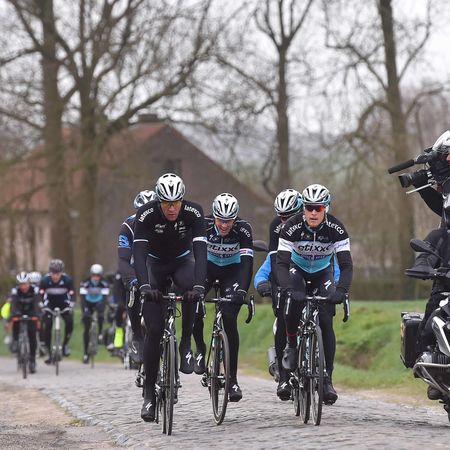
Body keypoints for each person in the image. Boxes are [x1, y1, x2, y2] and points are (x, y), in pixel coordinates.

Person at [133, 173, 207, 422]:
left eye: (176, 202)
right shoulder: (146, 214)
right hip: (154, 265)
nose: (172, 208)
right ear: (159, 201)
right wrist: (145, 287)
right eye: (166, 203)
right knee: (154, 330)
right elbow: (139, 255)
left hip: (182, 261)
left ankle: (185, 343)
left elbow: (201, 252)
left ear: (182, 200)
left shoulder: (194, 212)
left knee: (191, 290)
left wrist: (199, 287)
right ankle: (149, 395)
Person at [276, 184, 353, 404]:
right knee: (294, 302)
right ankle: (292, 344)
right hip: (297, 270)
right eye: (308, 207)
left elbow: (346, 265)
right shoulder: (291, 226)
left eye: (317, 208)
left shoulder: (336, 228)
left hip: (322, 272)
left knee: (326, 320)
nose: (312, 213)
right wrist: (288, 289)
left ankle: (327, 378)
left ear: (325, 208)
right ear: (303, 208)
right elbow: (281, 264)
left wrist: (341, 290)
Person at [192, 193, 253, 402]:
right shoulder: (204, 225)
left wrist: (242, 292)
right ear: (214, 215)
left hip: (232, 272)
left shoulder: (243, 229)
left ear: (235, 218)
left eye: (229, 220)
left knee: (229, 319)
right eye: (221, 220)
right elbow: (193, 256)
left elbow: (247, 264)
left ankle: (232, 379)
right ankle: (200, 349)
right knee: (195, 307)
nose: (225, 225)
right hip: (207, 269)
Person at [116, 189, 156, 361]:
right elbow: (123, 259)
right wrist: (132, 280)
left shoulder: (167, 223)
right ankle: (137, 335)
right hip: (135, 268)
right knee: (133, 291)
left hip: (158, 268)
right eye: (142, 212)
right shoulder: (128, 226)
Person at [40, 259, 75, 364]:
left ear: (61, 272)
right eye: (53, 273)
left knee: (69, 321)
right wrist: (42, 304)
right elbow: (40, 294)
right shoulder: (45, 280)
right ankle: (49, 352)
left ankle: (65, 345)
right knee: (47, 325)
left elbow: (72, 293)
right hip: (50, 304)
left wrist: (71, 304)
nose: (55, 276)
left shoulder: (67, 280)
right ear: (50, 272)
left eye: (57, 273)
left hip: (63, 303)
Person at [10, 272, 40, 373]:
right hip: (19, 311)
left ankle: (32, 360)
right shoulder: (15, 291)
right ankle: (15, 341)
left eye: (25, 284)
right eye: (21, 284)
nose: (23, 287)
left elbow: (36, 304)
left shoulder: (34, 290)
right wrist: (14, 315)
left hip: (31, 312)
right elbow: (13, 305)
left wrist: (37, 316)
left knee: (32, 335)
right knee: (16, 323)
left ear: (29, 283)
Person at [80, 263, 110, 364]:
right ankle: (85, 354)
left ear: (101, 275)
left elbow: (105, 298)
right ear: (91, 274)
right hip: (88, 303)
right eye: (94, 275)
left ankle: (100, 332)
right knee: (86, 327)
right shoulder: (85, 282)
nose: (96, 277)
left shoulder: (104, 283)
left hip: (99, 302)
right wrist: (85, 310)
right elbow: (82, 299)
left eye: (98, 275)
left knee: (101, 314)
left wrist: (101, 307)